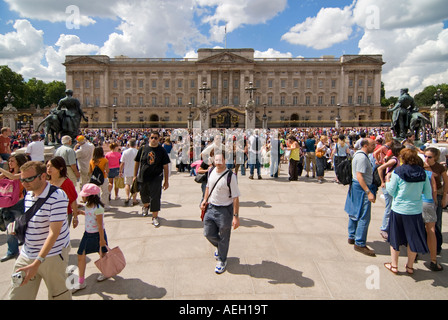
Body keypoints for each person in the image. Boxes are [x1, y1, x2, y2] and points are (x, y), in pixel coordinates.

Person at [8, 161, 71, 300]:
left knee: (59, 295)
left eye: (29, 179)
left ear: (43, 176)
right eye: (22, 179)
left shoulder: (58, 196)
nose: (25, 183)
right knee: (16, 294)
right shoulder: (29, 194)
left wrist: (37, 262)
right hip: (27, 254)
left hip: (52, 256)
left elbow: (54, 233)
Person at [384, 148, 431, 275]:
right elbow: (427, 192)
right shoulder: (423, 173)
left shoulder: (398, 171)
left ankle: (394, 265)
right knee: (413, 238)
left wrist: (387, 180)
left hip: (399, 208)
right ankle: (410, 266)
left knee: (395, 237)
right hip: (415, 210)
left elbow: (391, 191)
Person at [201, 152, 241, 274]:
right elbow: (208, 186)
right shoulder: (211, 171)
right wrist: (204, 200)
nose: (218, 162)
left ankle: (222, 260)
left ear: (225, 160)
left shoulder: (231, 176)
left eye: (220, 159)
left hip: (224, 210)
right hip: (211, 207)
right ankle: (221, 247)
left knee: (224, 236)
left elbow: (235, 197)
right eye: (216, 159)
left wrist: (236, 217)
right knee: (207, 233)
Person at [71, 183, 108, 293]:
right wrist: (82, 213)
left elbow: (100, 225)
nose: (82, 197)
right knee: (80, 255)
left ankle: (105, 272)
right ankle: (81, 281)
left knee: (102, 254)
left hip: (97, 235)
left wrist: (102, 240)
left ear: (90, 196)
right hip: (87, 234)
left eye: (84, 195)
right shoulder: (88, 205)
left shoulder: (98, 208)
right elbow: (89, 215)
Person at [344, 138, 377, 257]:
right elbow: (360, 176)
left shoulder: (358, 155)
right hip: (362, 187)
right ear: (365, 145)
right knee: (364, 216)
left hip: (356, 186)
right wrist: (368, 192)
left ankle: (351, 236)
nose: (374, 147)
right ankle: (360, 243)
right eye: (372, 145)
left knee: (354, 212)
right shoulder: (362, 158)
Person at [134, 130, 170, 227]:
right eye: (152, 137)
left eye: (156, 138)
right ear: (149, 138)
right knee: (143, 195)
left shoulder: (162, 150)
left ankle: (155, 216)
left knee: (155, 197)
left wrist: (166, 181)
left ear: (159, 139)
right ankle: (146, 206)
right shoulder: (142, 149)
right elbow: (137, 162)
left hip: (156, 177)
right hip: (143, 176)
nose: (154, 139)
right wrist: (134, 175)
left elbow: (165, 166)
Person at [0, 154, 28, 262]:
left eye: (12, 161)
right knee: (10, 230)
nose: (9, 163)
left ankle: (27, 250)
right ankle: (12, 251)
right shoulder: (8, 172)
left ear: (18, 162)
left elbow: (13, 178)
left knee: (21, 228)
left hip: (19, 204)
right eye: (9, 161)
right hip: (7, 205)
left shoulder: (23, 173)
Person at [423, 147, 448, 256]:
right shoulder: (422, 166)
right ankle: (425, 244)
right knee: (424, 223)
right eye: (425, 156)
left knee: (436, 223)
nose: (427, 159)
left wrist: (444, 197)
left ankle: (437, 246)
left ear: (435, 157)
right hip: (424, 197)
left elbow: (446, 182)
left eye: (429, 157)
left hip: (437, 195)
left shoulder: (439, 167)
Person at [377, 142, 403, 240]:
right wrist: (382, 182)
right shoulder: (394, 160)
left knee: (391, 206)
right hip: (388, 184)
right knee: (389, 207)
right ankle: (384, 228)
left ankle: (388, 227)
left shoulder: (394, 159)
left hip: (392, 184)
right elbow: (380, 168)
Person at [421, 161, 444, 271]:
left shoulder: (414, 174)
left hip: (416, 203)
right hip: (428, 202)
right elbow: (434, 189)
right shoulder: (429, 175)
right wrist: (434, 201)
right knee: (431, 230)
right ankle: (433, 260)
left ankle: (413, 254)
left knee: (417, 229)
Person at [46, 156, 79, 228]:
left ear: (60, 168)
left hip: (64, 214)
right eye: (47, 166)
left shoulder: (67, 183)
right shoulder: (45, 182)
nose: (49, 168)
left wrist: (75, 217)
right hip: (48, 215)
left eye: (52, 166)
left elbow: (73, 201)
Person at [120, 138, 139, 205]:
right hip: (136, 171)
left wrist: (120, 171)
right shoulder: (137, 152)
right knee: (135, 185)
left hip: (127, 170)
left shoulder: (125, 152)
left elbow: (122, 163)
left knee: (127, 184)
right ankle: (134, 199)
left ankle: (127, 197)